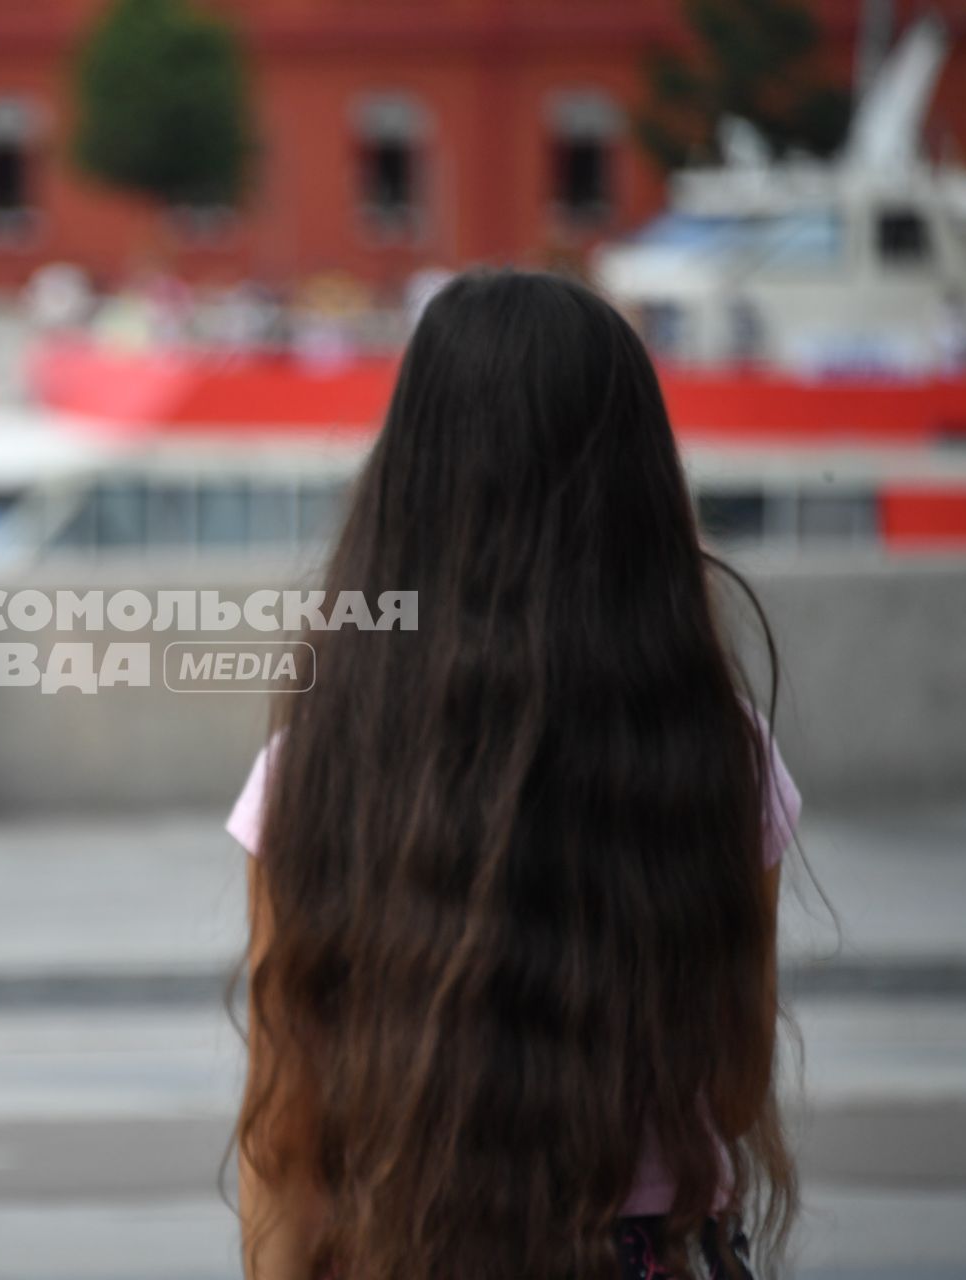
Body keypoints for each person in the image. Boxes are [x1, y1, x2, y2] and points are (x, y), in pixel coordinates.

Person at [227, 270, 800, 1280]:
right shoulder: (723, 751)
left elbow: (284, 1132)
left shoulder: (318, 765)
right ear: (637, 491)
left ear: (410, 481)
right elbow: (736, 1079)